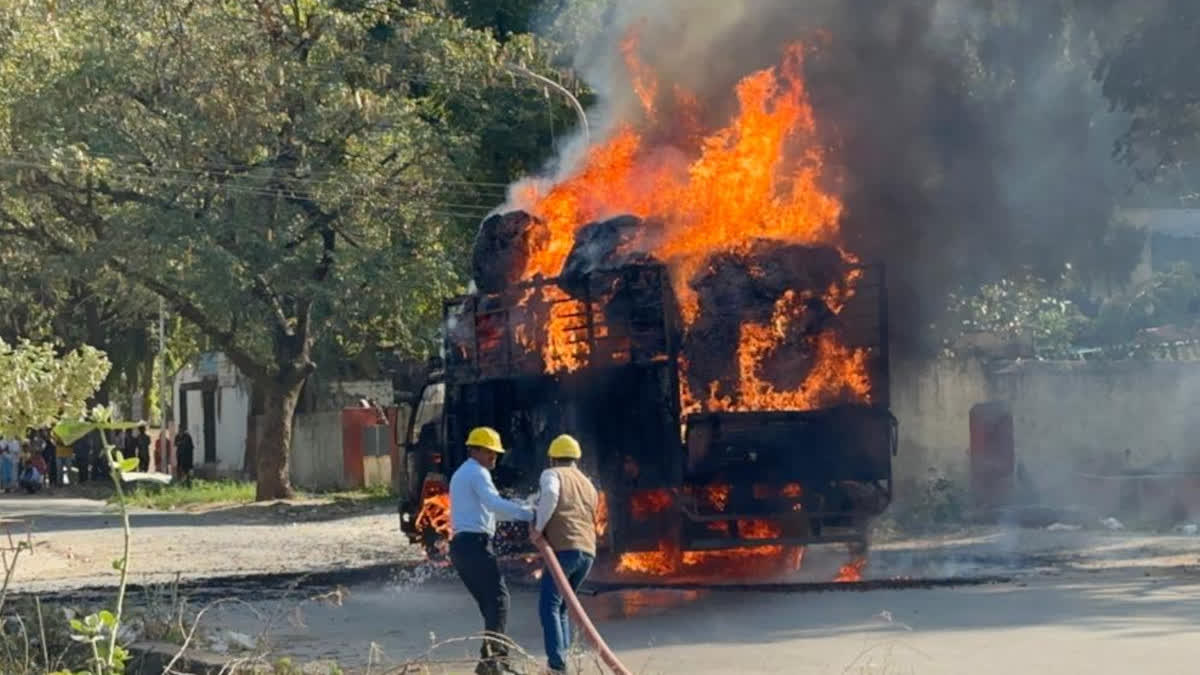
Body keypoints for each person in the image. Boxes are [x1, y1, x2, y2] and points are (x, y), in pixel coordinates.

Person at [448, 426, 534, 675]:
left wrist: (519, 506)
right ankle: (493, 661)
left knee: (490, 604)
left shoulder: (463, 473)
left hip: (462, 547)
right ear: (476, 450)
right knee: (499, 600)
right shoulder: (478, 473)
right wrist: (530, 514)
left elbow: (491, 505)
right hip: (474, 545)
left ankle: (492, 661)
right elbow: (495, 505)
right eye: (491, 452)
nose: (494, 457)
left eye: (496, 453)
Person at [531, 435, 599, 674]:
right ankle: (565, 658)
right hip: (587, 552)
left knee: (549, 604)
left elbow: (549, 496)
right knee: (561, 606)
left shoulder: (552, 474)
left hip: (564, 550)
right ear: (576, 460)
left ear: (552, 458)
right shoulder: (588, 483)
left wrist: (538, 528)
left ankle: (556, 665)